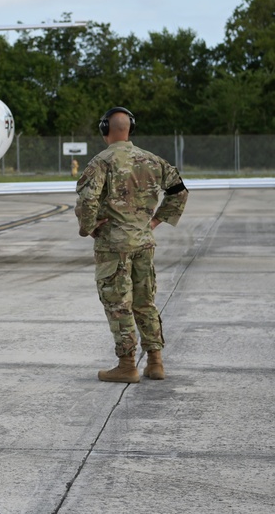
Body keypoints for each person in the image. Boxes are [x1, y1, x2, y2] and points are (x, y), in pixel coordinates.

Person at [76, 107, 188, 383]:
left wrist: (87, 228)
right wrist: (155, 222)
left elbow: (88, 200)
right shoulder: (152, 161)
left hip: (114, 246)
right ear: (130, 129)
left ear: (106, 129)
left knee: (118, 304)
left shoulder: (101, 162)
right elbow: (179, 191)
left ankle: (127, 365)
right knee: (144, 302)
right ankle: (155, 361)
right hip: (143, 242)